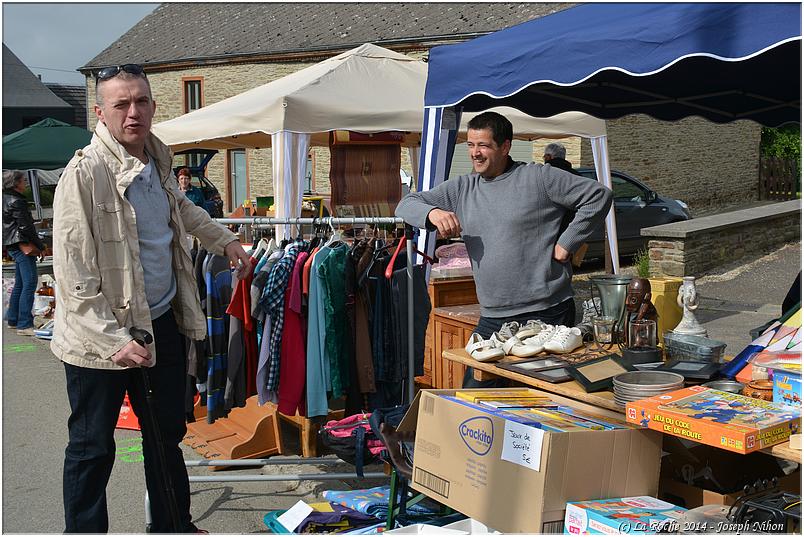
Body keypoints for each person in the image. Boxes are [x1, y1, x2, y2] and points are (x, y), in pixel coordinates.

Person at [51, 63, 252, 533]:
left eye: (141, 101)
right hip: (97, 341)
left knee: (165, 438)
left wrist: (223, 239)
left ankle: (172, 526)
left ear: (153, 106)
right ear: (100, 112)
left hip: (160, 322)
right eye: (121, 104)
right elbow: (73, 278)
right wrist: (113, 341)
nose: (133, 112)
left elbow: (181, 209)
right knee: (92, 445)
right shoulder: (83, 176)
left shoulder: (157, 159)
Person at [395, 111, 612, 386]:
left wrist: (567, 242)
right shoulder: (463, 187)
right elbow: (405, 204)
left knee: (539, 398)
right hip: (494, 317)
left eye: (483, 145)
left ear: (505, 146)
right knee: (474, 399)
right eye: (471, 145)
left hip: (546, 312)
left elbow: (598, 196)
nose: (475, 153)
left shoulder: (539, 177)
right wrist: (433, 213)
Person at [3, 170, 46, 336]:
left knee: (21, 283)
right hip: (22, 244)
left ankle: (13, 319)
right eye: (23, 180)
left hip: (12, 244)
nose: (26, 183)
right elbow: (26, 226)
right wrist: (40, 246)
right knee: (29, 283)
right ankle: (24, 324)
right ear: (16, 183)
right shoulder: (16, 200)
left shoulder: (5, 198)